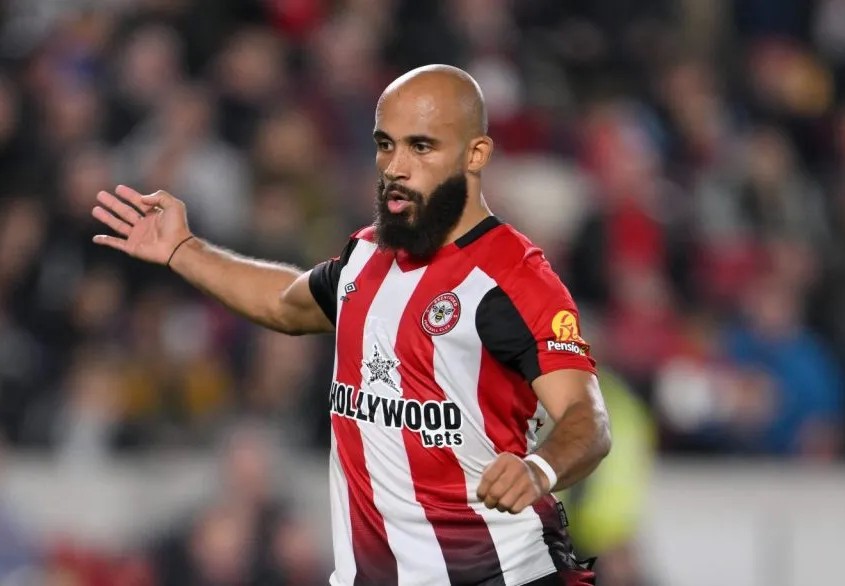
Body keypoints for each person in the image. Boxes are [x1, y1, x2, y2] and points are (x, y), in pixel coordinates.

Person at [92, 64, 611, 586]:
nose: (396, 167)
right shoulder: (366, 257)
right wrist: (183, 250)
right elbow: (286, 304)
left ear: (475, 154)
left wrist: (538, 469)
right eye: (386, 145)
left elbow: (587, 418)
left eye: (421, 147)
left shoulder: (514, 279)